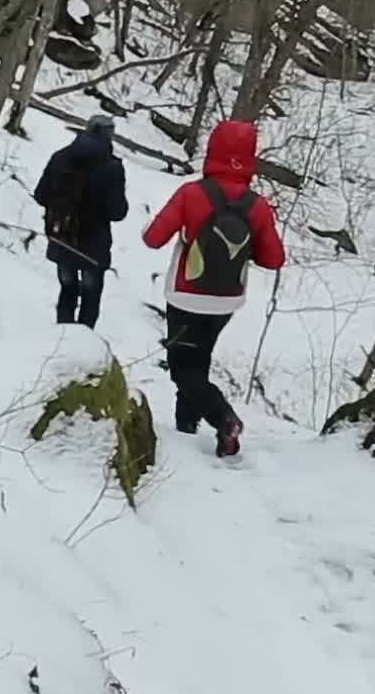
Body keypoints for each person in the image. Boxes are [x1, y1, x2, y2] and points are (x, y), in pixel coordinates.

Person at [142, 119, 286, 456]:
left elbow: (153, 239)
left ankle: (224, 419)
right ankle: (187, 431)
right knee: (198, 363)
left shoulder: (192, 192)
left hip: (186, 294)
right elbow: (274, 259)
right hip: (226, 301)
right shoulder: (259, 206)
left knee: (182, 370)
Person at [33, 114, 128, 328]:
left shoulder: (59, 157)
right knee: (90, 296)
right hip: (94, 246)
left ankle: (63, 338)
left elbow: (40, 195)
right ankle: (84, 344)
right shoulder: (112, 167)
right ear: (109, 135)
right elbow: (117, 212)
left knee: (67, 290)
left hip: (62, 237)